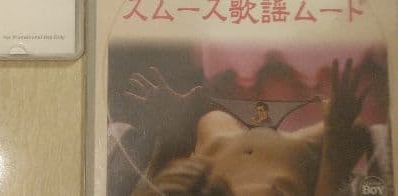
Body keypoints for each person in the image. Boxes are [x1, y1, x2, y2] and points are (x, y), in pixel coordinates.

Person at [119, 59, 375, 196]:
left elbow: (155, 186)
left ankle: (185, 123)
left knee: (212, 119)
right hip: (291, 154)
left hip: (218, 145)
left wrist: (168, 135)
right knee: (356, 130)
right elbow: (354, 137)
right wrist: (337, 131)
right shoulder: (301, 147)